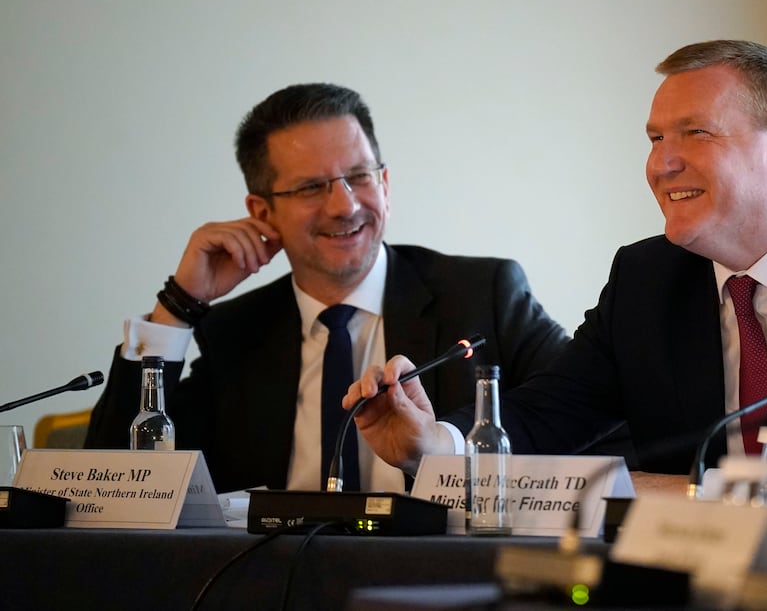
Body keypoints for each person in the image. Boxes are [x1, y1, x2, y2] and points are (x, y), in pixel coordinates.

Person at [343, 40, 767, 480]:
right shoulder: (646, 276)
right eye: (655, 138)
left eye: (695, 133)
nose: (661, 163)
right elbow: (554, 410)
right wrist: (437, 443)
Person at [83, 82, 579, 494]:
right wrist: (179, 306)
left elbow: (591, 419)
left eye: (359, 176)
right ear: (262, 212)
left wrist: (441, 447)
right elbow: (117, 485)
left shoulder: (482, 293)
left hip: (441, 578)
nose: (344, 206)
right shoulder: (237, 333)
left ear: (384, 183)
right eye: (311, 188)